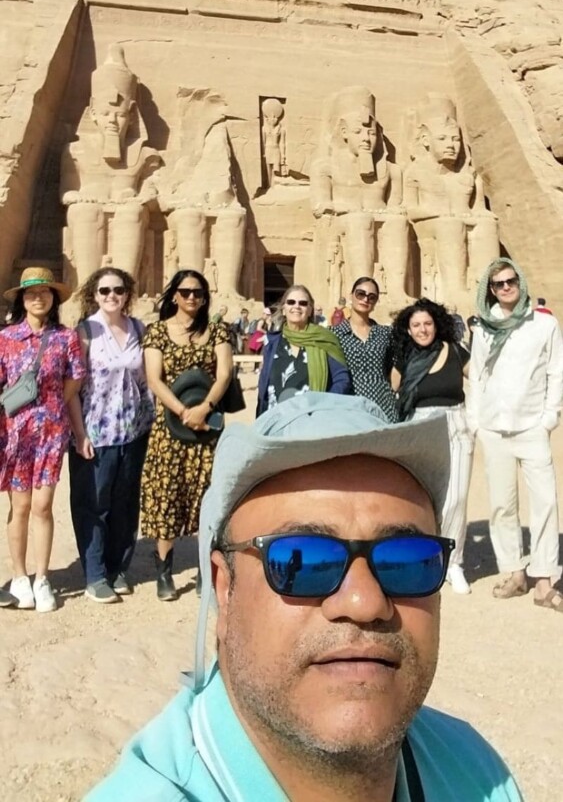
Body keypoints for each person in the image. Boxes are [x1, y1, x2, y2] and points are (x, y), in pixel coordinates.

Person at [87, 394, 523, 801]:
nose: (364, 602)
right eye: (304, 560)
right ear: (224, 588)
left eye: (405, 561)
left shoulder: (478, 775)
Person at [467, 258, 563, 610]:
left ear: (520, 282)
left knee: (546, 502)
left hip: (532, 426)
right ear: (490, 289)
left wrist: (549, 418)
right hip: (494, 426)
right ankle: (514, 571)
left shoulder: (544, 324)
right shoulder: (484, 327)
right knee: (502, 506)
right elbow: (476, 376)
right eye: (499, 284)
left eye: (510, 281)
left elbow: (556, 371)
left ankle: (543, 578)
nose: (506, 288)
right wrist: (476, 421)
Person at [141, 269, 233, 600]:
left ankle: (204, 571)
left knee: (206, 498)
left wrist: (204, 407)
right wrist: (183, 412)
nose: (191, 297)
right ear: (174, 295)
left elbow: (224, 373)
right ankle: (164, 570)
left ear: (205, 297)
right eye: (185, 291)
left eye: (198, 292)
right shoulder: (156, 332)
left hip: (207, 424)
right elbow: (154, 379)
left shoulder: (217, 330)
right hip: (170, 426)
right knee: (167, 495)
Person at [67, 267, 155, 604]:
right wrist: (79, 433)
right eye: (105, 291)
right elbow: (72, 389)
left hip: (133, 429)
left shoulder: (139, 328)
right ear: (94, 294)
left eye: (118, 290)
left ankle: (118, 567)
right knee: (93, 503)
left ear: (128, 293)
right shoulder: (86, 331)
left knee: (125, 501)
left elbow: (146, 379)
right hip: (96, 430)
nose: (112, 296)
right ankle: (94, 573)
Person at [0, 267, 85, 612]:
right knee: (19, 507)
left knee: (43, 506)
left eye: (45, 292)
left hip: (50, 431)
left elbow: (74, 381)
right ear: (22, 298)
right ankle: (20, 577)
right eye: (32, 293)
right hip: (14, 433)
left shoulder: (66, 338)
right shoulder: (6, 339)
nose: (39, 297)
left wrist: (51, 409)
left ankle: (42, 577)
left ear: (54, 298)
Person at [392, 299, 473, 595]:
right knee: (423, 495)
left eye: (427, 323)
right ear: (408, 330)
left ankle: (453, 562)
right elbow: (393, 390)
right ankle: (423, 556)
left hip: (456, 422)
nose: (422, 329)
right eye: (416, 325)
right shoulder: (406, 356)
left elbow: (484, 374)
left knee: (457, 495)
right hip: (420, 426)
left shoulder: (453, 350)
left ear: (437, 323)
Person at [257, 284, 351, 415]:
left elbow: (341, 378)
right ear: (284, 309)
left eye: (303, 303)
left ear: (310, 310)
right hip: (276, 421)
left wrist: (324, 407)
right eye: (291, 302)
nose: (296, 306)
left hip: (313, 421)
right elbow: (264, 385)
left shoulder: (324, 339)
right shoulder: (272, 344)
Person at [331, 276, 398, 423]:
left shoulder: (385, 333)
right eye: (360, 294)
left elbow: (393, 367)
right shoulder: (334, 333)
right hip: (349, 404)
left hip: (383, 403)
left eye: (372, 297)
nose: (365, 299)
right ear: (351, 295)